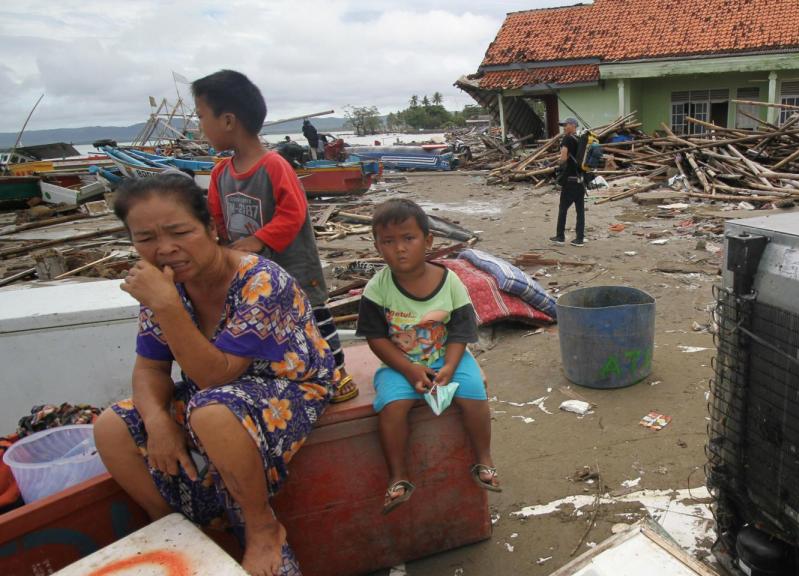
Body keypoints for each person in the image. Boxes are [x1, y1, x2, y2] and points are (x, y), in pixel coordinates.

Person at [94, 172, 338, 576]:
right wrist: (156, 423)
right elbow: (150, 367)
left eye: (179, 232)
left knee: (211, 410)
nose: (165, 249)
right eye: (146, 238)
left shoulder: (260, 280)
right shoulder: (165, 287)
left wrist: (167, 306)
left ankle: (262, 528)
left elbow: (217, 375)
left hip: (288, 386)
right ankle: (174, 526)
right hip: (212, 394)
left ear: (210, 228)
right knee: (111, 427)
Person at [192, 70, 358, 404]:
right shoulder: (220, 173)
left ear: (227, 121)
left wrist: (258, 240)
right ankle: (292, 373)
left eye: (200, 117)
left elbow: (293, 213)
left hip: (293, 264)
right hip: (251, 273)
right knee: (266, 321)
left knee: (315, 315)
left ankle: (337, 371)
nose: (199, 128)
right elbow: (217, 220)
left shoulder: (274, 165)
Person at [356, 199, 501, 514]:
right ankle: (398, 476)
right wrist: (408, 369)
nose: (400, 249)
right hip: (401, 364)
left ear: (428, 240)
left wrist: (450, 366)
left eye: (409, 238)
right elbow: (376, 338)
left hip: (448, 357)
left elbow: (461, 331)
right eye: (388, 241)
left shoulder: (450, 282)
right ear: (378, 247)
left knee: (475, 394)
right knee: (392, 409)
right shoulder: (376, 289)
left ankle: (484, 458)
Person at [550, 117, 586, 247]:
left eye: (565, 125)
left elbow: (564, 157)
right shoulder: (580, 140)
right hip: (581, 181)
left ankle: (560, 236)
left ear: (572, 125)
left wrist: (558, 165)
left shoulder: (567, 139)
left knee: (563, 209)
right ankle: (580, 238)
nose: (564, 128)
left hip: (570, 181)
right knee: (580, 211)